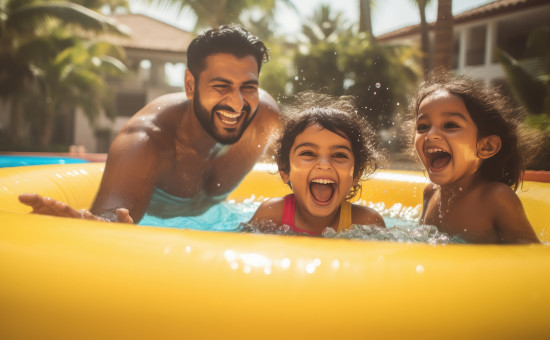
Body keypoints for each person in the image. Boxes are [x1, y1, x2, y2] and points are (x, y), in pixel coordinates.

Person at [19, 25, 280, 223]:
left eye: (248, 87)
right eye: (221, 86)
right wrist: (95, 225)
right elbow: (112, 216)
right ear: (190, 85)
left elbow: (292, 171)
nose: (237, 103)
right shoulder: (146, 142)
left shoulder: (263, 119)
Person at [410, 72, 540, 243]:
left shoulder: (496, 198)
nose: (430, 135)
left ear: (486, 147)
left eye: (450, 125)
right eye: (423, 126)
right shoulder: (430, 193)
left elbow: (530, 256)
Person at [247, 94, 386, 235]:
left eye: (339, 155)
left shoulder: (365, 222)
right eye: (308, 153)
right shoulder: (272, 215)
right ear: (284, 170)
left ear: (357, 173)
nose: (324, 165)